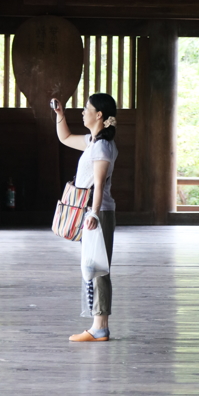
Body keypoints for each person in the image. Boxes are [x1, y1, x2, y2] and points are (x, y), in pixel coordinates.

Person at [52, 93, 118, 342]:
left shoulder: (102, 146)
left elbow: (99, 185)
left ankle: (100, 326)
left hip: (98, 212)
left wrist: (93, 213)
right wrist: (60, 115)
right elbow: (65, 138)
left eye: (86, 108)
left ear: (98, 115)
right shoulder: (93, 141)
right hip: (94, 212)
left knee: (99, 268)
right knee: (94, 266)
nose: (82, 112)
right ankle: (98, 324)